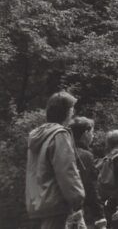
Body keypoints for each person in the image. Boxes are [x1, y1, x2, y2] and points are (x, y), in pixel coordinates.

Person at [25, 91, 85, 229]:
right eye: (71, 108)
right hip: (56, 204)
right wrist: (77, 199)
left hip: (38, 203)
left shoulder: (39, 135)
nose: (73, 112)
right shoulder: (60, 134)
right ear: (65, 111)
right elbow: (66, 171)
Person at [67, 117, 106, 229]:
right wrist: (100, 216)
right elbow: (90, 187)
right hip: (73, 212)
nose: (93, 136)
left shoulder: (65, 151)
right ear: (86, 132)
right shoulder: (84, 155)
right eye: (92, 132)